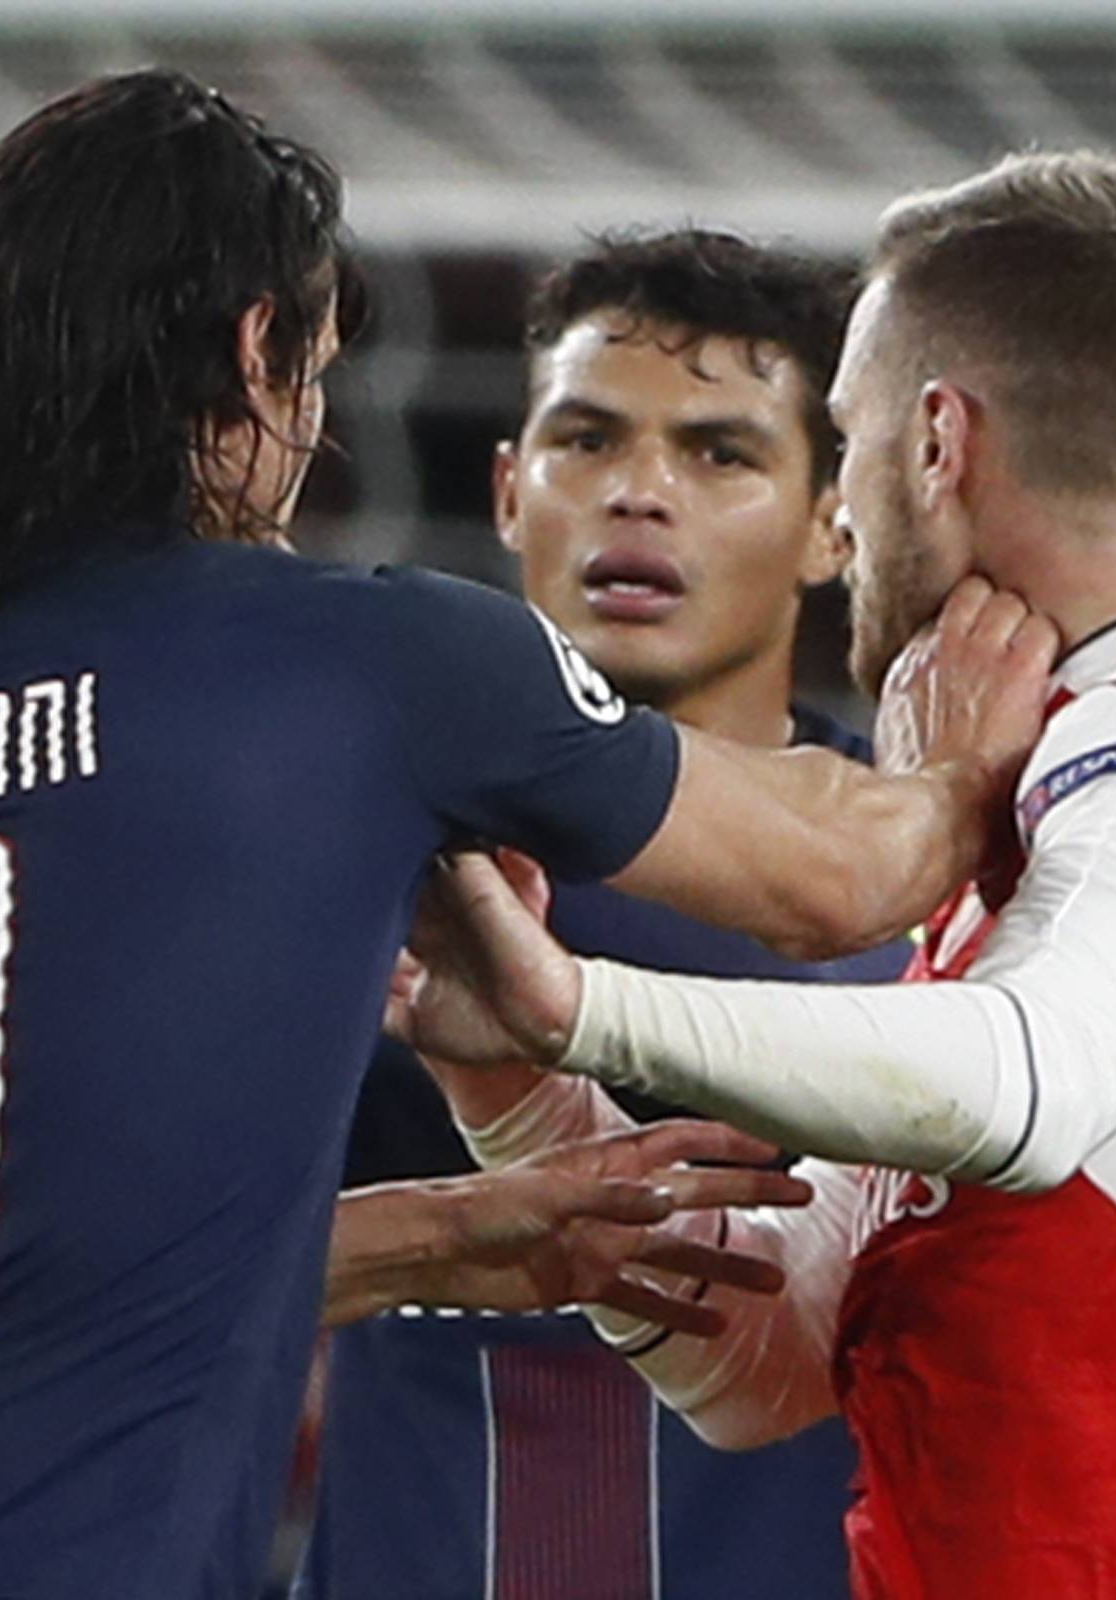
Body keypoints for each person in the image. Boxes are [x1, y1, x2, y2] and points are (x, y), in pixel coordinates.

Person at [0, 72, 1051, 1600]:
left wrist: (437, 1236)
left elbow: (17, 1265)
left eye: (719, 453)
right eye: (315, 369)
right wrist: (982, 748)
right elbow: (840, 882)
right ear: (260, 349)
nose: (640, 496)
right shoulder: (361, 681)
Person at [393, 151, 1116, 1598]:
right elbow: (761, 1355)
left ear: (938, 444)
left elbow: (1022, 1085)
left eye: (849, 440)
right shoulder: (1037, 808)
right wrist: (516, 1084)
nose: (846, 519)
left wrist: (578, 1005)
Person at [307, 229, 904, 1600]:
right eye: (586, 441)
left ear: (837, 525)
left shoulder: (925, 888)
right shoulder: (361, 851)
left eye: (720, 454)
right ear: (512, 490)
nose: (639, 494)